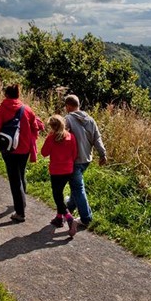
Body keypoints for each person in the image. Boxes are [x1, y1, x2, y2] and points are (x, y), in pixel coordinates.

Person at [0, 84, 40, 222]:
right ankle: (22, 202)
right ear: (18, 94)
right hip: (24, 148)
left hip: (9, 149)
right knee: (21, 173)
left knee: (14, 179)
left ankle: (20, 212)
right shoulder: (26, 109)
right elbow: (35, 128)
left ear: (6, 95)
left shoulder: (2, 108)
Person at [64, 94, 107, 226]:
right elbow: (97, 138)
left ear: (69, 106)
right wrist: (102, 154)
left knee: (78, 187)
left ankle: (85, 218)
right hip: (87, 159)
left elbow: (62, 138)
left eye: (66, 106)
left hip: (75, 159)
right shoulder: (90, 119)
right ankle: (71, 205)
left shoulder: (68, 119)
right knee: (76, 184)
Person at [41, 115, 78, 237]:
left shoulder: (52, 138)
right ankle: (58, 218)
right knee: (60, 193)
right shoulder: (70, 136)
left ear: (52, 126)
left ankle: (69, 218)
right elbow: (74, 154)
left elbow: (44, 153)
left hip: (56, 171)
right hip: (68, 170)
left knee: (57, 196)